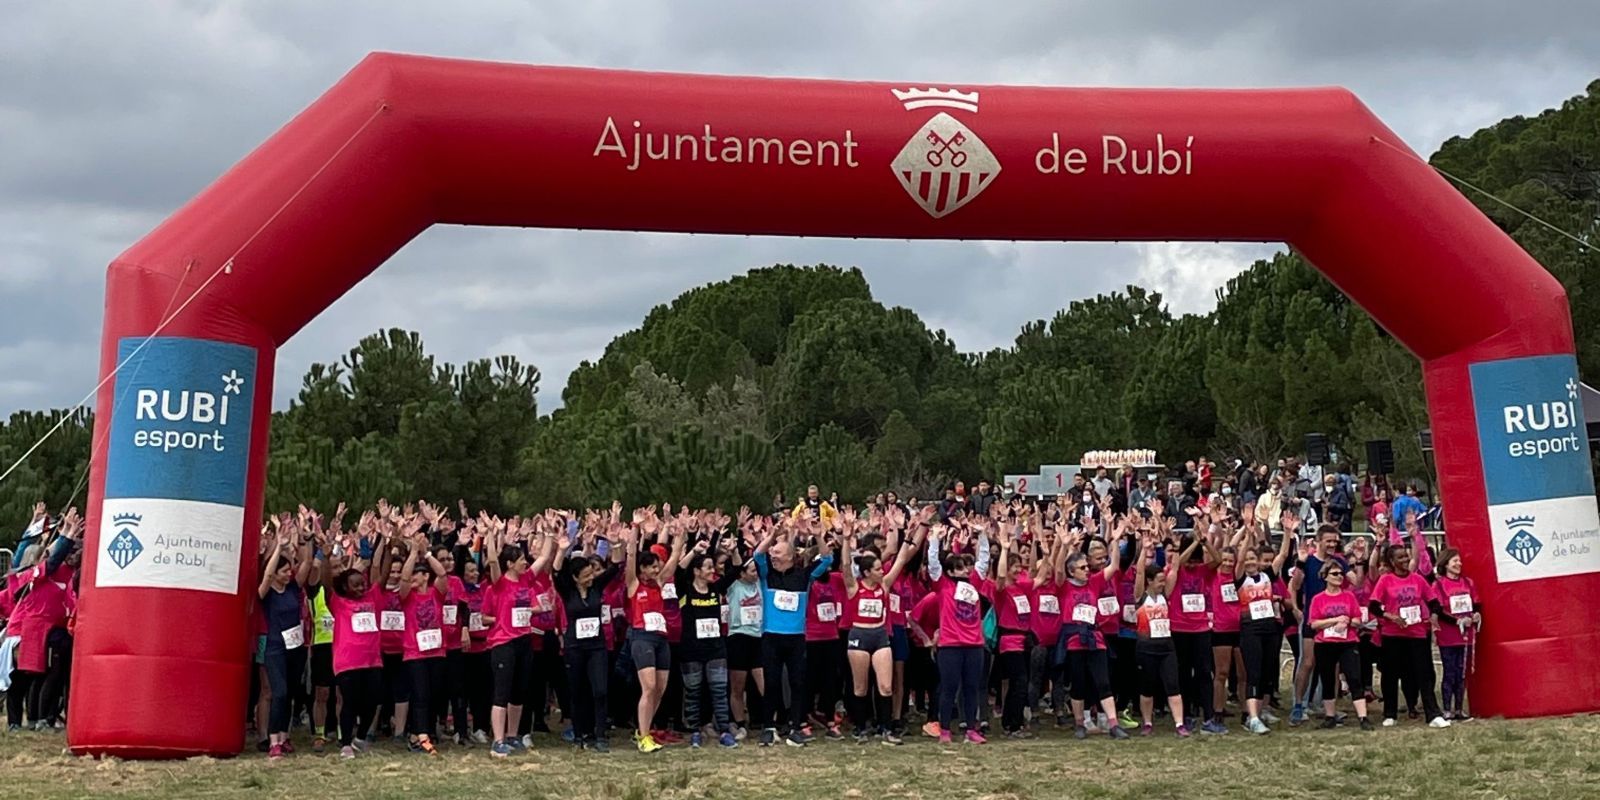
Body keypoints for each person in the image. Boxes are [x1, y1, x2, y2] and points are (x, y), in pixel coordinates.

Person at [752, 517, 835, 747]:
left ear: (789, 556)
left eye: (777, 553)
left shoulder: (804, 576)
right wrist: (771, 536)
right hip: (771, 637)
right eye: (773, 553)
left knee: (798, 683)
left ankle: (795, 728)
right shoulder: (768, 574)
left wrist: (818, 535)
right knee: (772, 682)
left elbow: (828, 558)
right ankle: (768, 727)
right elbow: (757, 556)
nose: (773, 556)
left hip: (797, 639)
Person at [840, 513, 920, 744]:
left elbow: (901, 560)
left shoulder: (884, 585)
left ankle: (886, 729)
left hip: (880, 635)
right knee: (860, 686)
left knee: (886, 685)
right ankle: (860, 728)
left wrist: (908, 536)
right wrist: (846, 540)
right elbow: (846, 565)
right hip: (859, 636)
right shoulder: (854, 587)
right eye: (876, 568)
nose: (882, 571)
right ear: (866, 572)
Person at [912, 521, 993, 744]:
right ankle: (945, 730)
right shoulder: (944, 586)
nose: (965, 570)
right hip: (950, 645)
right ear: (950, 572)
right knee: (948, 688)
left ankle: (971, 730)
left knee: (971, 688)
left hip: (974, 644)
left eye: (966, 567)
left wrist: (983, 534)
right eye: (959, 568)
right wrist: (935, 539)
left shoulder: (974, 584)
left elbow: (984, 561)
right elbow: (933, 565)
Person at [482, 520, 554, 757]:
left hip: (524, 640)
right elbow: (493, 561)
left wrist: (549, 533)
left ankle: (512, 736)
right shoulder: (499, 584)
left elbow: (544, 558)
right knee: (501, 692)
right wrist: (492, 534)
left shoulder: (527, 580)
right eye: (521, 559)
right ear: (510, 564)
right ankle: (498, 741)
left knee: (519, 692)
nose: (526, 562)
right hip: (503, 643)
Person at [1054, 526, 1132, 740]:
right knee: (1078, 683)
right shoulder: (1064, 586)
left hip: (1095, 638)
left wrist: (1115, 541)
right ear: (1072, 571)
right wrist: (1063, 545)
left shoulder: (1095, 582)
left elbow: (1114, 565)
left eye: (1087, 567)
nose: (1087, 570)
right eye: (1081, 568)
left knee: (1103, 681)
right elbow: (1058, 570)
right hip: (1074, 640)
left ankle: (1113, 723)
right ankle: (1080, 723)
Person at [555, 526, 623, 752]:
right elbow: (556, 571)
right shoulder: (567, 591)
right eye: (585, 576)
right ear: (575, 578)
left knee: (600, 690)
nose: (590, 578)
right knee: (577, 691)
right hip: (575, 647)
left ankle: (600, 734)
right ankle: (580, 733)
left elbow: (615, 567)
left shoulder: (597, 587)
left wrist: (614, 544)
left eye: (591, 574)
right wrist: (562, 549)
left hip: (596, 646)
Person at [1370, 543, 1450, 728]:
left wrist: (1434, 616)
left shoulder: (1418, 580)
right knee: (1390, 674)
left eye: (1406, 556)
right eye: (1400, 557)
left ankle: (1433, 714)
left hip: (1417, 633)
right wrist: (1390, 616)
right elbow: (1374, 605)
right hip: (1392, 634)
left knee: (1424, 674)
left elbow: (1434, 603)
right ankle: (1390, 713)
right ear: (1391, 561)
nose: (1405, 560)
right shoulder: (1385, 580)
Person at [622, 513, 684, 753]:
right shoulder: (634, 585)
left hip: (661, 639)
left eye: (658, 565)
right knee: (648, 687)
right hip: (642, 638)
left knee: (659, 689)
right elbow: (630, 558)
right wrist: (635, 527)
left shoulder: (659, 583)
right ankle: (644, 736)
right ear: (643, 569)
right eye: (652, 566)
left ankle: (643, 729)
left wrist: (679, 534)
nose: (657, 569)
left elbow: (675, 558)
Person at [676, 536, 741, 749]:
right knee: (693, 692)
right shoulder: (685, 589)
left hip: (716, 649)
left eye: (712, 567)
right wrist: (694, 552)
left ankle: (724, 731)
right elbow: (679, 569)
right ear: (696, 571)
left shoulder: (715, 589)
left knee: (719, 690)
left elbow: (736, 570)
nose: (711, 570)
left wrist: (734, 551)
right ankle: (695, 731)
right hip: (691, 650)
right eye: (707, 567)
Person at [258, 521, 316, 760]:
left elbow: (307, 563)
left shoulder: (293, 588)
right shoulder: (265, 592)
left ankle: (284, 736)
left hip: (296, 647)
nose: (288, 574)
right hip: (274, 648)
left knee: (290, 692)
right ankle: (273, 741)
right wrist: (279, 547)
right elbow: (268, 573)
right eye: (284, 571)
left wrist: (307, 538)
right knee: (278, 692)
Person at [1132, 522, 1190, 737]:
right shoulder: (1141, 597)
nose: (1162, 583)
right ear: (1149, 581)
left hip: (1166, 647)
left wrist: (1175, 548)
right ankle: (1147, 723)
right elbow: (1138, 573)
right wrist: (1144, 548)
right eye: (1158, 581)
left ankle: (1179, 724)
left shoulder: (1165, 595)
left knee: (1173, 686)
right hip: (1146, 647)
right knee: (1147, 688)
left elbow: (1174, 569)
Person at [396, 528, 450, 755]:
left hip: (436, 651)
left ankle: (421, 732)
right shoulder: (408, 596)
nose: (414, 578)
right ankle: (421, 736)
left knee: (434, 694)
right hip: (414, 653)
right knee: (420, 694)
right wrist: (412, 554)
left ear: (425, 576)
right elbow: (404, 578)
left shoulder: (436, 593)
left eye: (419, 575)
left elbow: (443, 575)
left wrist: (426, 554)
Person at [1308, 560, 1373, 730]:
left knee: (1354, 677)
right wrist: (1334, 620)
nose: (1339, 577)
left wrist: (1350, 622)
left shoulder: (1348, 596)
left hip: (1348, 642)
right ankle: (1330, 716)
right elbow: (1313, 624)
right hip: (1325, 643)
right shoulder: (1318, 599)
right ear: (1325, 577)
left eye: (1340, 574)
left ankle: (1363, 717)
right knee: (1328, 679)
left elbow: (1358, 619)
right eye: (1335, 574)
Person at [1433, 548, 1480, 721]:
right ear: (1445, 564)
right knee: (1449, 671)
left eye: (1459, 561)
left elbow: (1476, 603)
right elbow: (1438, 609)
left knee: (1461, 672)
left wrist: (1475, 615)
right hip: (1448, 636)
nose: (1458, 564)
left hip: (1466, 636)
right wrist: (1457, 621)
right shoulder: (1438, 585)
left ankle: (1459, 709)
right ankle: (1447, 709)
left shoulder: (1468, 582)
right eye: (1455, 561)